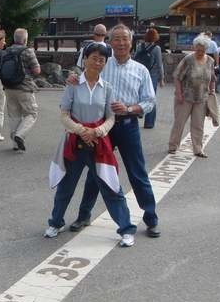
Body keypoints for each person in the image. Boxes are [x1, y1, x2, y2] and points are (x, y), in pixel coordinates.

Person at [69, 24, 161, 238]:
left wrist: (130, 108)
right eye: (116, 39)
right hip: (102, 127)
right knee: (95, 173)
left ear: (131, 42)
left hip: (128, 126)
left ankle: (151, 218)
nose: (120, 43)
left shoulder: (140, 70)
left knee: (137, 173)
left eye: (124, 39)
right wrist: (73, 80)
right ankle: (84, 215)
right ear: (110, 42)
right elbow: (82, 82)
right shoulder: (101, 65)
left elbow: (149, 101)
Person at [45, 43, 137, 247]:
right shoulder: (73, 84)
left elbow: (111, 117)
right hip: (74, 143)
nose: (98, 62)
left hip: (98, 144)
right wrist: (81, 130)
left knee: (111, 187)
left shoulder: (107, 88)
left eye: (102, 59)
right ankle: (56, 222)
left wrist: (98, 131)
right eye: (94, 57)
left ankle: (126, 229)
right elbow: (64, 114)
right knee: (65, 187)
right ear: (84, 59)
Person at [168, 33, 216, 157]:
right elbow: (177, 76)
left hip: (201, 97)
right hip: (185, 96)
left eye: (202, 50)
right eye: (197, 49)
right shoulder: (188, 59)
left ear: (206, 49)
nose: (199, 52)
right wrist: (178, 93)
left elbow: (212, 78)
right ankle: (173, 146)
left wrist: (212, 91)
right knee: (179, 122)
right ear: (194, 47)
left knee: (198, 125)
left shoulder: (210, 61)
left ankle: (198, 149)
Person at [3, 28, 41, 151]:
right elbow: (37, 70)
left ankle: (15, 144)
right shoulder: (28, 51)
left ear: (14, 39)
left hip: (8, 87)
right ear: (25, 39)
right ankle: (20, 135)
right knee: (31, 113)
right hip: (24, 87)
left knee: (14, 115)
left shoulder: (6, 51)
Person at [134, 28, 165, 128]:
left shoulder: (140, 46)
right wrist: (162, 78)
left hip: (140, 74)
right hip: (152, 75)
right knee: (151, 98)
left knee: (139, 95)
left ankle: (139, 112)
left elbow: (135, 60)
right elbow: (160, 64)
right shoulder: (157, 49)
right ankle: (149, 123)